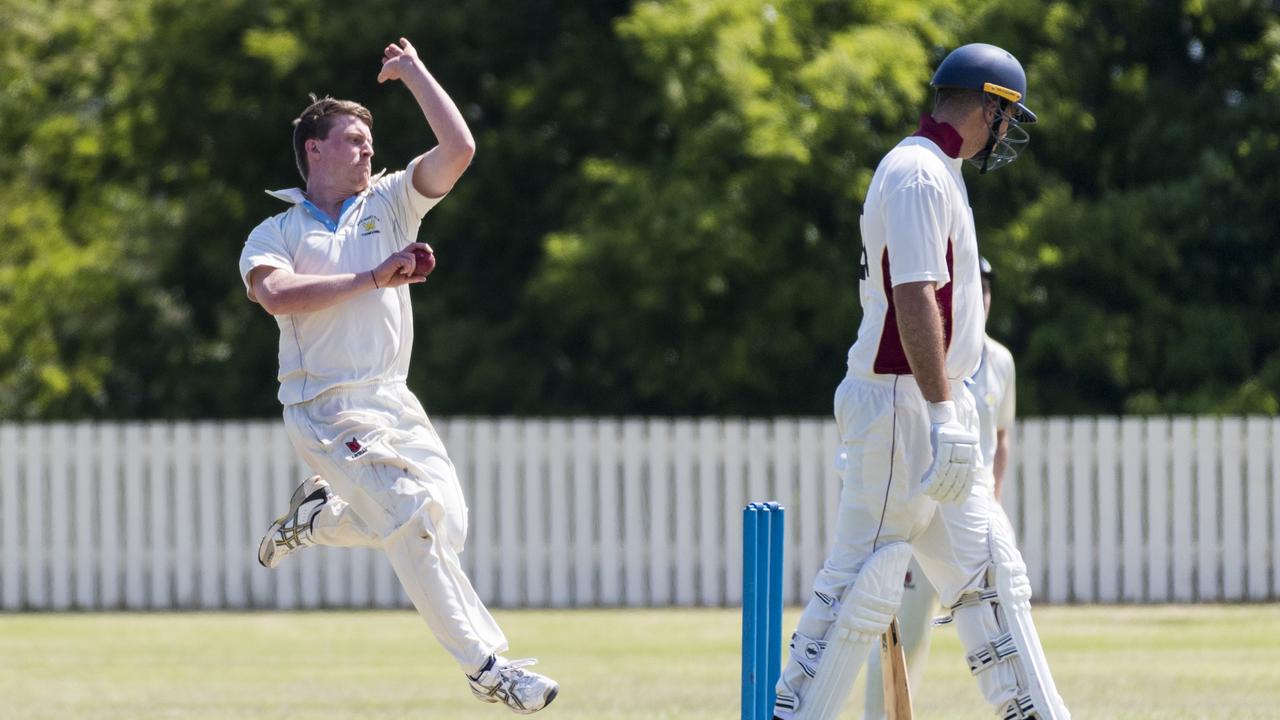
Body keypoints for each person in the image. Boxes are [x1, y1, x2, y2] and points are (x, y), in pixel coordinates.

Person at [241, 38, 558, 714]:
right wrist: (373, 276)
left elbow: (459, 151)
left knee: (446, 525)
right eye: (352, 140)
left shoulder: (389, 204)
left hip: (393, 397)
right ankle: (488, 668)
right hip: (324, 408)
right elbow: (278, 296)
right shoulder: (276, 231)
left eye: (370, 139)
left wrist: (415, 73)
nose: (366, 150)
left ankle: (320, 521)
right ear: (314, 151)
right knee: (411, 519)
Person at [773, 43, 1069, 719]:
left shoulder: (940, 169)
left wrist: (950, 409)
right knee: (855, 582)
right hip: (902, 403)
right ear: (987, 105)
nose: (1007, 132)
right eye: (1006, 115)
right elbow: (914, 297)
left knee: (995, 577)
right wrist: (940, 414)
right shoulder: (917, 173)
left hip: (936, 400)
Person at [861, 256, 1018, 719]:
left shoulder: (1001, 361)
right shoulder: (930, 347)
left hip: (974, 513)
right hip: (924, 513)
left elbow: (1001, 439)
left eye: (988, 290)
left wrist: (994, 500)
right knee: (904, 637)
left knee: (1005, 628)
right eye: (976, 288)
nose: (982, 298)